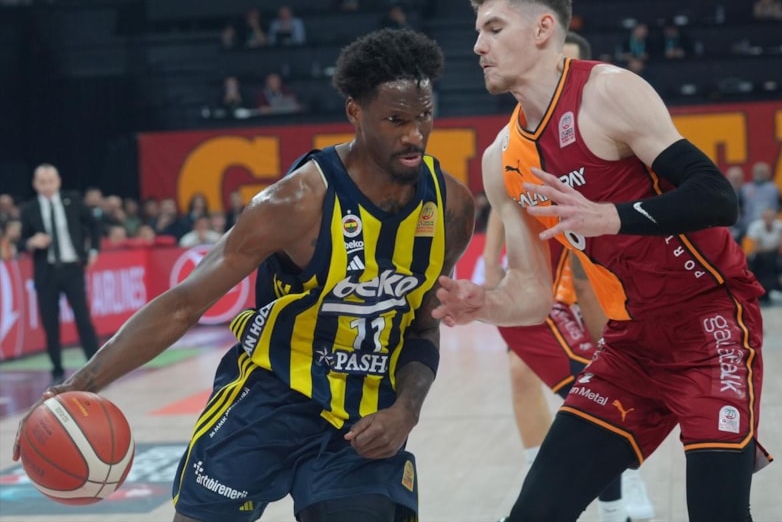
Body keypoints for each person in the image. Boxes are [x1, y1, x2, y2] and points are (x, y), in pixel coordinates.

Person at [13, 28, 476, 522]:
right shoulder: (295, 202)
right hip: (268, 400)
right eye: (396, 120)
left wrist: (408, 409)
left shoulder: (450, 207)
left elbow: (421, 327)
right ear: (355, 113)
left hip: (362, 418)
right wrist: (80, 382)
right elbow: (184, 304)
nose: (414, 135)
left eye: (424, 116)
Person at [432, 0, 769, 522]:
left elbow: (716, 196)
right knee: (533, 514)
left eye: (493, 28)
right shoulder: (502, 158)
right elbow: (534, 294)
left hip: (710, 326)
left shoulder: (608, 92)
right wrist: (485, 304)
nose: (478, 46)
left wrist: (609, 217)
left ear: (543, 29)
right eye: (477, 32)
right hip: (630, 346)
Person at [483, 31, 653, 522]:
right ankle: (552, 480)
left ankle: (616, 476)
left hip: (598, 270)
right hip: (546, 277)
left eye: (568, 66)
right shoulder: (517, 136)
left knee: (604, 379)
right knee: (534, 375)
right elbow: (504, 202)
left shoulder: (604, 122)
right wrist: (491, 262)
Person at [19, 164, 101, 384]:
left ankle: (96, 367)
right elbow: (20, 241)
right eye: (42, 182)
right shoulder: (29, 209)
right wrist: (31, 242)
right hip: (46, 272)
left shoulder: (72, 200)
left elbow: (94, 225)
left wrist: (93, 250)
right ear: (35, 184)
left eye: (51, 181)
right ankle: (57, 371)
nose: (47, 186)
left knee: (83, 319)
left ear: (58, 181)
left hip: (72, 268)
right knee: (50, 323)